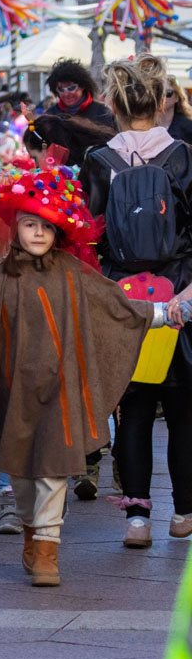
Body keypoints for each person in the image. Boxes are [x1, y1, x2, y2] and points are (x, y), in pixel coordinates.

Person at [0, 167, 173, 587]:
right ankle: (30, 528)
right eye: (29, 225)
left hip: (62, 392)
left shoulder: (73, 273)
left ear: (59, 229)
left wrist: (163, 314)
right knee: (22, 477)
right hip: (16, 393)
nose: (38, 233)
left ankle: (46, 548)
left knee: (55, 470)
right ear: (16, 228)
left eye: (46, 225)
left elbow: (116, 306)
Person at [79, 61, 192, 547]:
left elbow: (87, 235)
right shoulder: (184, 155)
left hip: (121, 297)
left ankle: (137, 519)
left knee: (134, 409)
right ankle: (184, 513)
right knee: (184, 410)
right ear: (163, 101)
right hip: (180, 295)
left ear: (114, 105)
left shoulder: (99, 159)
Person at [23, 113, 115, 169]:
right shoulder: (79, 153)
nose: (36, 165)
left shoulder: (90, 160)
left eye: (35, 158)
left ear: (44, 146)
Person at [46, 58, 116, 129]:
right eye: (61, 89)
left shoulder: (103, 112)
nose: (66, 94)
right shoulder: (51, 115)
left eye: (71, 88)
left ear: (82, 86)